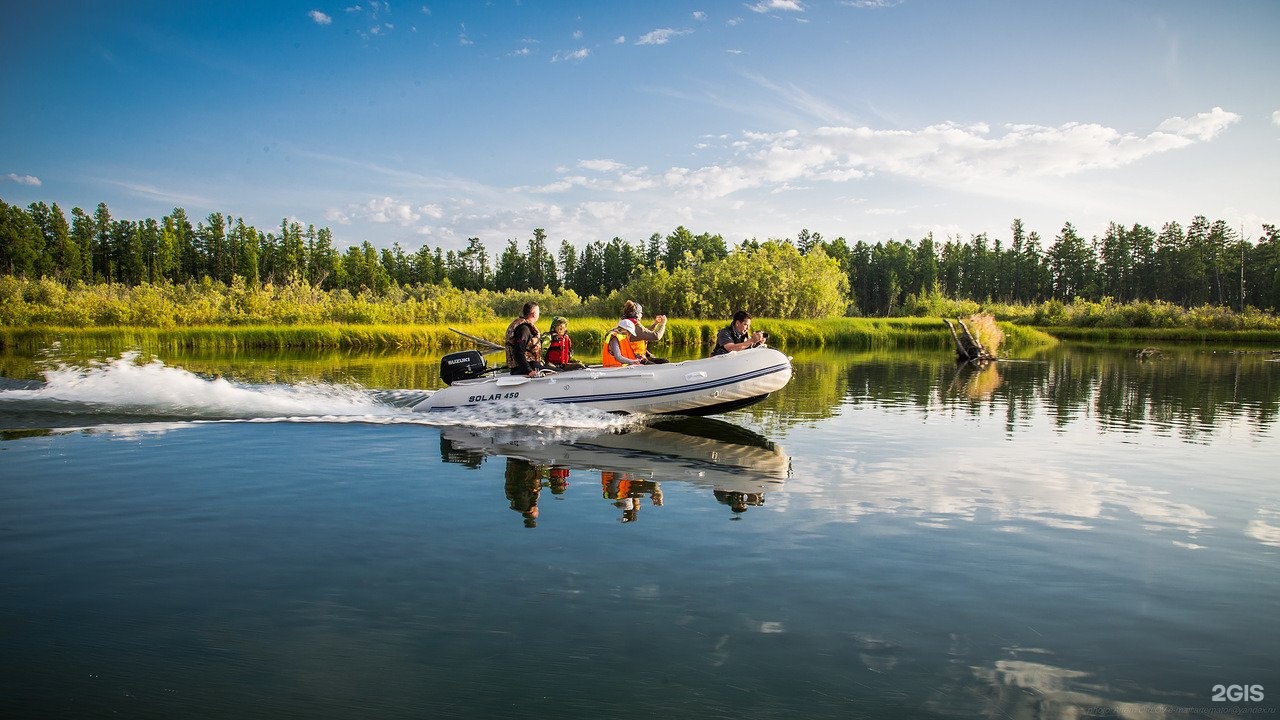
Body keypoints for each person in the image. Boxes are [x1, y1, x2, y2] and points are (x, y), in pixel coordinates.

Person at [620, 300, 669, 364]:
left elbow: (644, 334)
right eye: (641, 313)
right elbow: (656, 336)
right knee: (663, 363)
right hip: (636, 360)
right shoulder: (635, 326)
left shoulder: (627, 324)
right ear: (637, 314)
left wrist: (655, 324)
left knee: (663, 361)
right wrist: (663, 324)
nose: (641, 315)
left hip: (634, 357)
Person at [505, 302, 545, 377]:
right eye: (538, 312)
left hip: (526, 367)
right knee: (561, 371)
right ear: (533, 314)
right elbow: (518, 351)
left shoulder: (522, 326)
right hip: (527, 368)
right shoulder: (524, 329)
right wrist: (528, 370)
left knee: (558, 369)